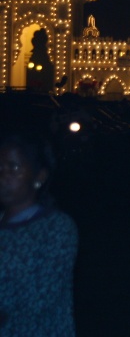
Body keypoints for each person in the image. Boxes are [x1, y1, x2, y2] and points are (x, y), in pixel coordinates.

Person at [0, 133, 78, 336]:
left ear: (39, 176)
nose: (3, 175)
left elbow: (38, 298)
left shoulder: (56, 228)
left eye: (13, 167)